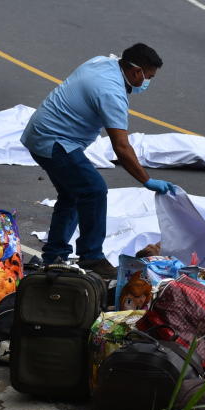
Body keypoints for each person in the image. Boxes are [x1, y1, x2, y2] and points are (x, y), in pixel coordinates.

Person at [21, 45, 176, 279]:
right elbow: (121, 147)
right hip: (54, 141)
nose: (148, 83)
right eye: (149, 77)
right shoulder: (110, 93)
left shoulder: (102, 62)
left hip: (42, 133)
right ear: (135, 72)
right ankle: (91, 256)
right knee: (94, 190)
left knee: (73, 193)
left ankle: (55, 255)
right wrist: (147, 180)